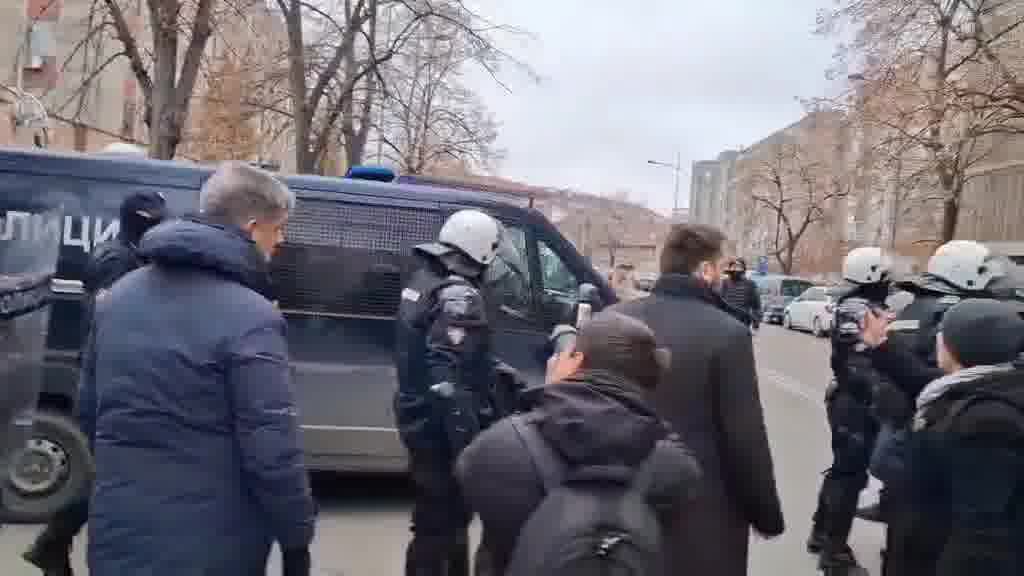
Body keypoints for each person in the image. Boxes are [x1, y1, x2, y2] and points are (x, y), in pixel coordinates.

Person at [78, 162, 316, 576]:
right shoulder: (252, 317)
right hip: (214, 547)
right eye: (278, 230)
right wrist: (296, 540)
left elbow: (89, 413)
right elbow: (272, 452)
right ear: (253, 227)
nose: (280, 242)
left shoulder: (118, 298)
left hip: (117, 532)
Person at [456, 310, 702, 575]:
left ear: (575, 363)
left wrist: (551, 393)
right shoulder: (673, 468)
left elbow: (466, 471)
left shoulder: (498, 449)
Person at [610, 223, 784, 576]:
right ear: (706, 270)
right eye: (721, 267)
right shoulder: (727, 334)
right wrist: (765, 514)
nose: (724, 275)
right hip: (703, 513)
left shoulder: (615, 319)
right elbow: (744, 436)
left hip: (620, 503)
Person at [23, 191, 167, 576]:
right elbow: (115, 326)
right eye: (154, 220)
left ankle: (52, 546)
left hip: (110, 377)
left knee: (101, 471)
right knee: (102, 472)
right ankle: (52, 545)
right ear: (139, 221)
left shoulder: (127, 256)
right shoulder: (116, 261)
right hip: (109, 381)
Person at [394, 209, 516, 576]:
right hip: (442, 431)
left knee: (432, 522)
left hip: (418, 416)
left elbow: (435, 353)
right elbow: (448, 382)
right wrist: (468, 451)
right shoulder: (459, 295)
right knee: (445, 526)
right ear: (479, 251)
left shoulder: (424, 280)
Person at [862, 298, 1024, 575]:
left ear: (959, 345)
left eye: (943, 332)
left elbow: (979, 538)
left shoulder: (989, 423)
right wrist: (881, 345)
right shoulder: (983, 386)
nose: (937, 337)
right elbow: (922, 378)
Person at [855, 239, 1009, 523]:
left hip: (900, 417)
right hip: (926, 422)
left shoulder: (914, 303)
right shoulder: (957, 312)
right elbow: (946, 380)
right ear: (965, 272)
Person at [806, 246, 892, 574]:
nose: (889, 280)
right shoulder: (858, 308)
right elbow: (858, 366)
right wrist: (881, 397)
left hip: (851, 400)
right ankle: (834, 553)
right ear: (871, 275)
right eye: (884, 275)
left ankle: (821, 531)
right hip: (854, 403)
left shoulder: (861, 304)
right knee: (850, 476)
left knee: (843, 470)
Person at [721, 257, 762, 329]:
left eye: (738, 267)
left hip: (743, 322)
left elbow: (756, 305)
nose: (735, 269)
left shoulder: (750, 284)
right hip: (726, 321)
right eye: (733, 267)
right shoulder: (724, 283)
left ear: (743, 269)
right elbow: (719, 302)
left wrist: (756, 322)